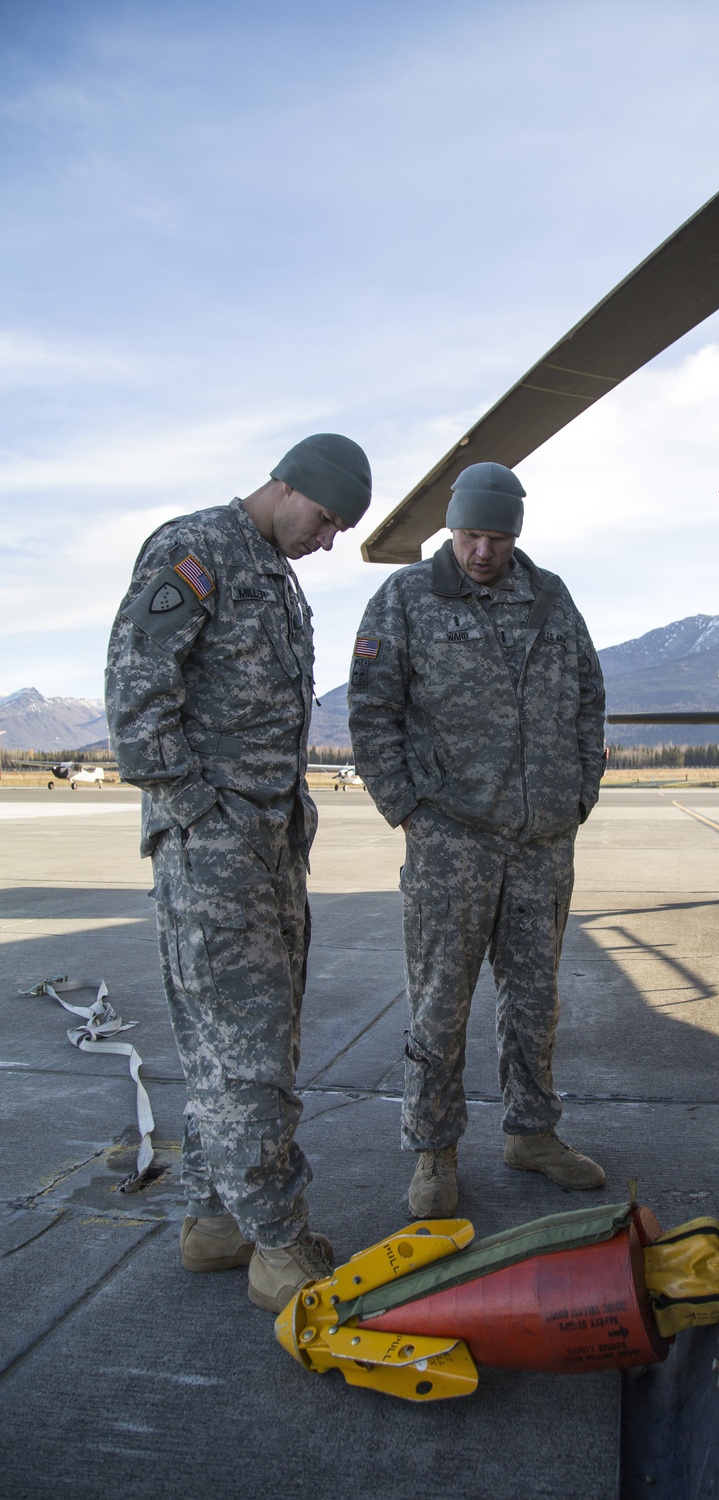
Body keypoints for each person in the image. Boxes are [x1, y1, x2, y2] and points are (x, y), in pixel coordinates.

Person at [105, 434, 372, 1312]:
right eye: (326, 519)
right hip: (219, 849)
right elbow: (136, 697)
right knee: (252, 1051)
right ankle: (281, 1247)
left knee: (236, 1044)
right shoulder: (197, 551)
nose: (327, 541)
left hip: (271, 844)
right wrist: (199, 816)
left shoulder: (272, 573)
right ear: (288, 485)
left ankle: (215, 1221)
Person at [348, 460, 607, 1217]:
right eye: (469, 535)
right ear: (450, 528)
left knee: (536, 998)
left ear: (515, 534)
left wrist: (579, 791)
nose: (482, 552)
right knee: (440, 1002)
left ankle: (532, 1131)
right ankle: (434, 1151)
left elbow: (589, 697)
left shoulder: (550, 599)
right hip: (451, 840)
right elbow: (371, 713)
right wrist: (409, 812)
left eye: (496, 537)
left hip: (542, 840)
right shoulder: (406, 598)